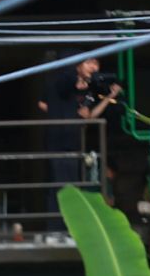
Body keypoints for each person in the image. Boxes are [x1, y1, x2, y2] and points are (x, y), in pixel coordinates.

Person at [38, 57, 121, 197]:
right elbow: (42, 103)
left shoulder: (91, 88)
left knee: (74, 182)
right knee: (59, 182)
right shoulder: (63, 84)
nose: (93, 67)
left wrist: (110, 97)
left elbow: (90, 116)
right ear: (77, 65)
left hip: (77, 140)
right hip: (60, 139)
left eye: (96, 63)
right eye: (89, 63)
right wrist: (67, 114)